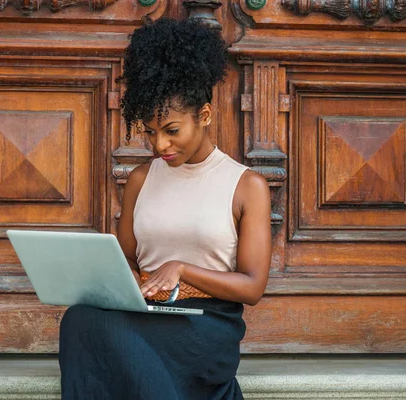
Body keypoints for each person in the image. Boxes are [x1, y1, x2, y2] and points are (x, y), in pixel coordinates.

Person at [58, 17, 272, 400]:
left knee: (111, 338)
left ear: (204, 116)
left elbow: (252, 287)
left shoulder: (246, 185)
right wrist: (112, 279)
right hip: (145, 314)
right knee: (80, 320)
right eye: (150, 131)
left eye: (172, 130)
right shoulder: (141, 179)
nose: (159, 145)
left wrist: (182, 269)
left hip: (205, 324)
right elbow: (124, 257)